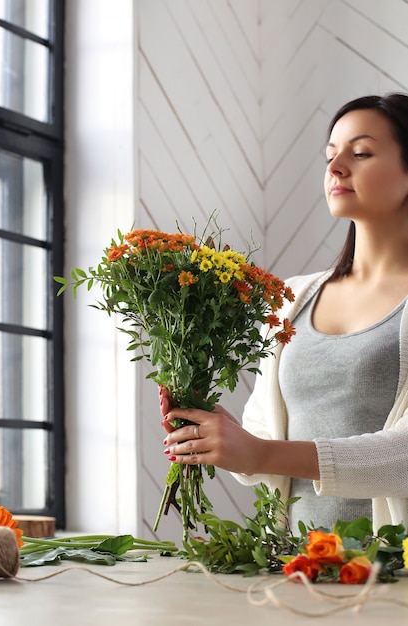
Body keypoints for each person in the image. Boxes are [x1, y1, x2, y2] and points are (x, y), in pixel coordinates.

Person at [159, 93, 408, 533]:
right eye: (331, 155)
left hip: (394, 574)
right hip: (293, 565)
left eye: (361, 153)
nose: (335, 168)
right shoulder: (293, 296)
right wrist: (222, 435)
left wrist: (261, 453)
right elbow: (265, 447)